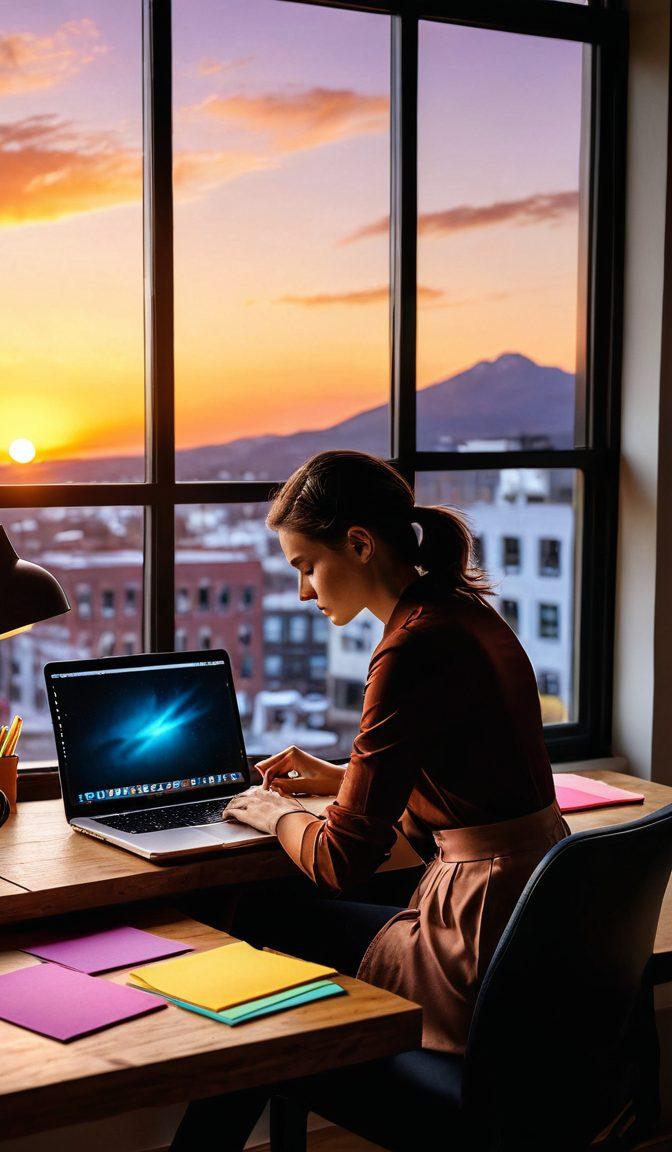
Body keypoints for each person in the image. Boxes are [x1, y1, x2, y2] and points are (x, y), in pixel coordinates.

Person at [170, 449, 569, 1151]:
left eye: (305, 566)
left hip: (475, 931)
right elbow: (470, 771)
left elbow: (341, 860)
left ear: (358, 543)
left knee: (259, 923)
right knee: (277, 922)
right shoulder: (466, 615)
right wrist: (341, 778)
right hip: (535, 914)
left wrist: (272, 810)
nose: (301, 590)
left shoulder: (409, 648)